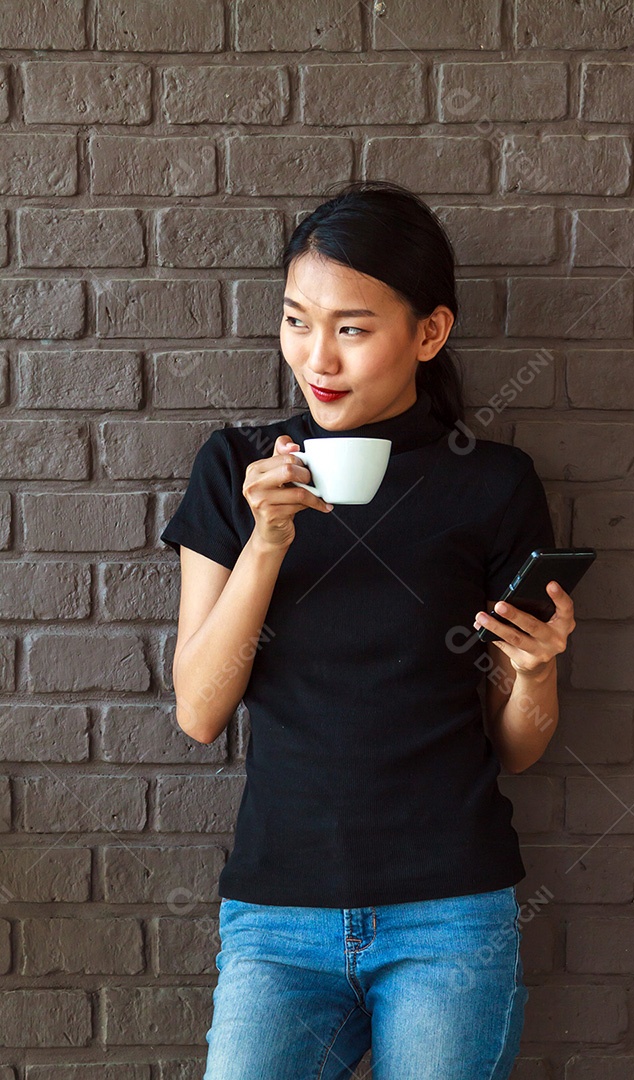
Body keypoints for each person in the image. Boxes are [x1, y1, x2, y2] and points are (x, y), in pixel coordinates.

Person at [160, 180, 576, 1080]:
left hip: (450, 915)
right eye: (297, 320)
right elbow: (198, 710)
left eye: (352, 327)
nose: (318, 358)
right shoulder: (237, 468)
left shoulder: (493, 484)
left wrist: (536, 678)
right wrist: (268, 539)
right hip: (276, 920)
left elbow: (519, 751)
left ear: (429, 333)